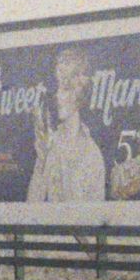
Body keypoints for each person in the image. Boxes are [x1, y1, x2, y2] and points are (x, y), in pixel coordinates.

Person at [27, 47, 108, 202]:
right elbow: (29, 209)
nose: (57, 95)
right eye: (57, 87)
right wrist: (42, 162)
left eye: (64, 88)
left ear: (79, 92)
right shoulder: (49, 145)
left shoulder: (92, 154)